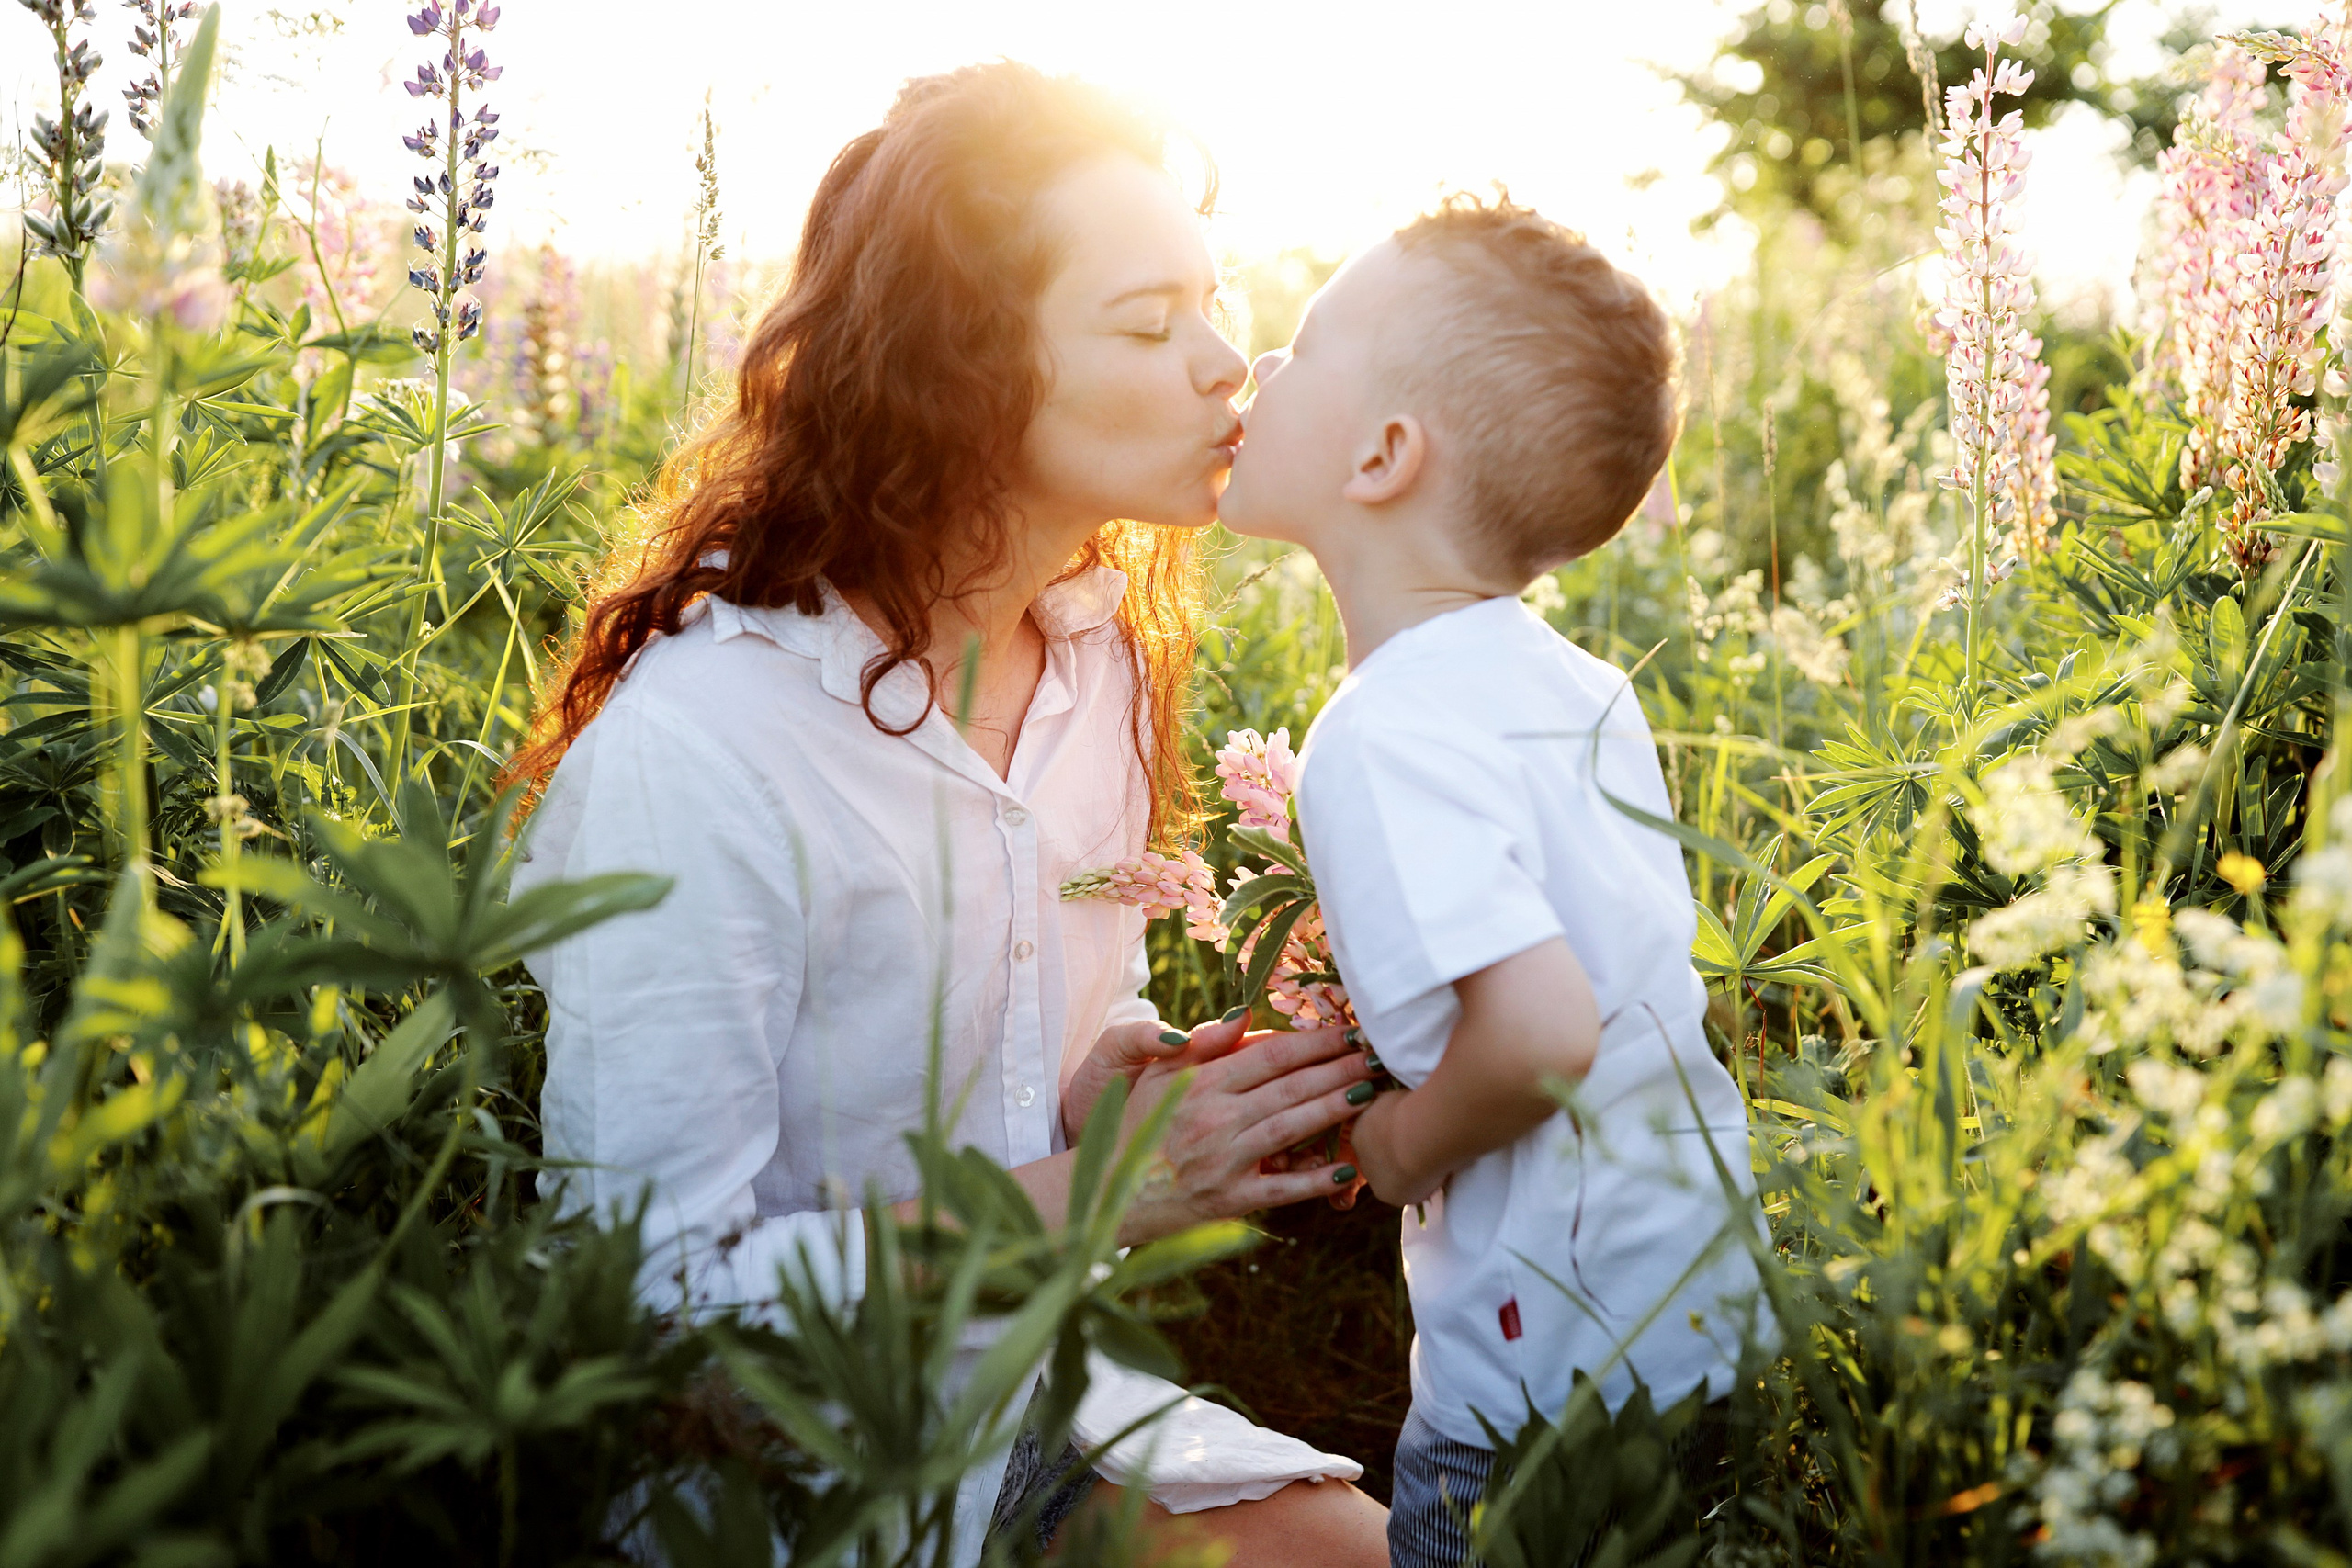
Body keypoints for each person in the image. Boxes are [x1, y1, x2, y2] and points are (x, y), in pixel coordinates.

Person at [507, 63, 1390, 1568]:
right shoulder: (711, 743)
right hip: (791, 1467)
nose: (1228, 361)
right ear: (959, 365)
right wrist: (1104, 1188)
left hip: (1028, 1377)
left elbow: (1038, 1056)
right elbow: (655, 1311)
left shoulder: (1094, 649)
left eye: (1214, 299)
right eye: (1145, 321)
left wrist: (1145, 1082)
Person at [1219, 193, 1771, 1568]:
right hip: (1699, 1317)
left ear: (1384, 455)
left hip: (1539, 1401)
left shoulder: (1386, 729)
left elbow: (1536, 1032)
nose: (1258, 371)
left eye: (1301, 345)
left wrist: (1398, 1145)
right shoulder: (1575, 685)